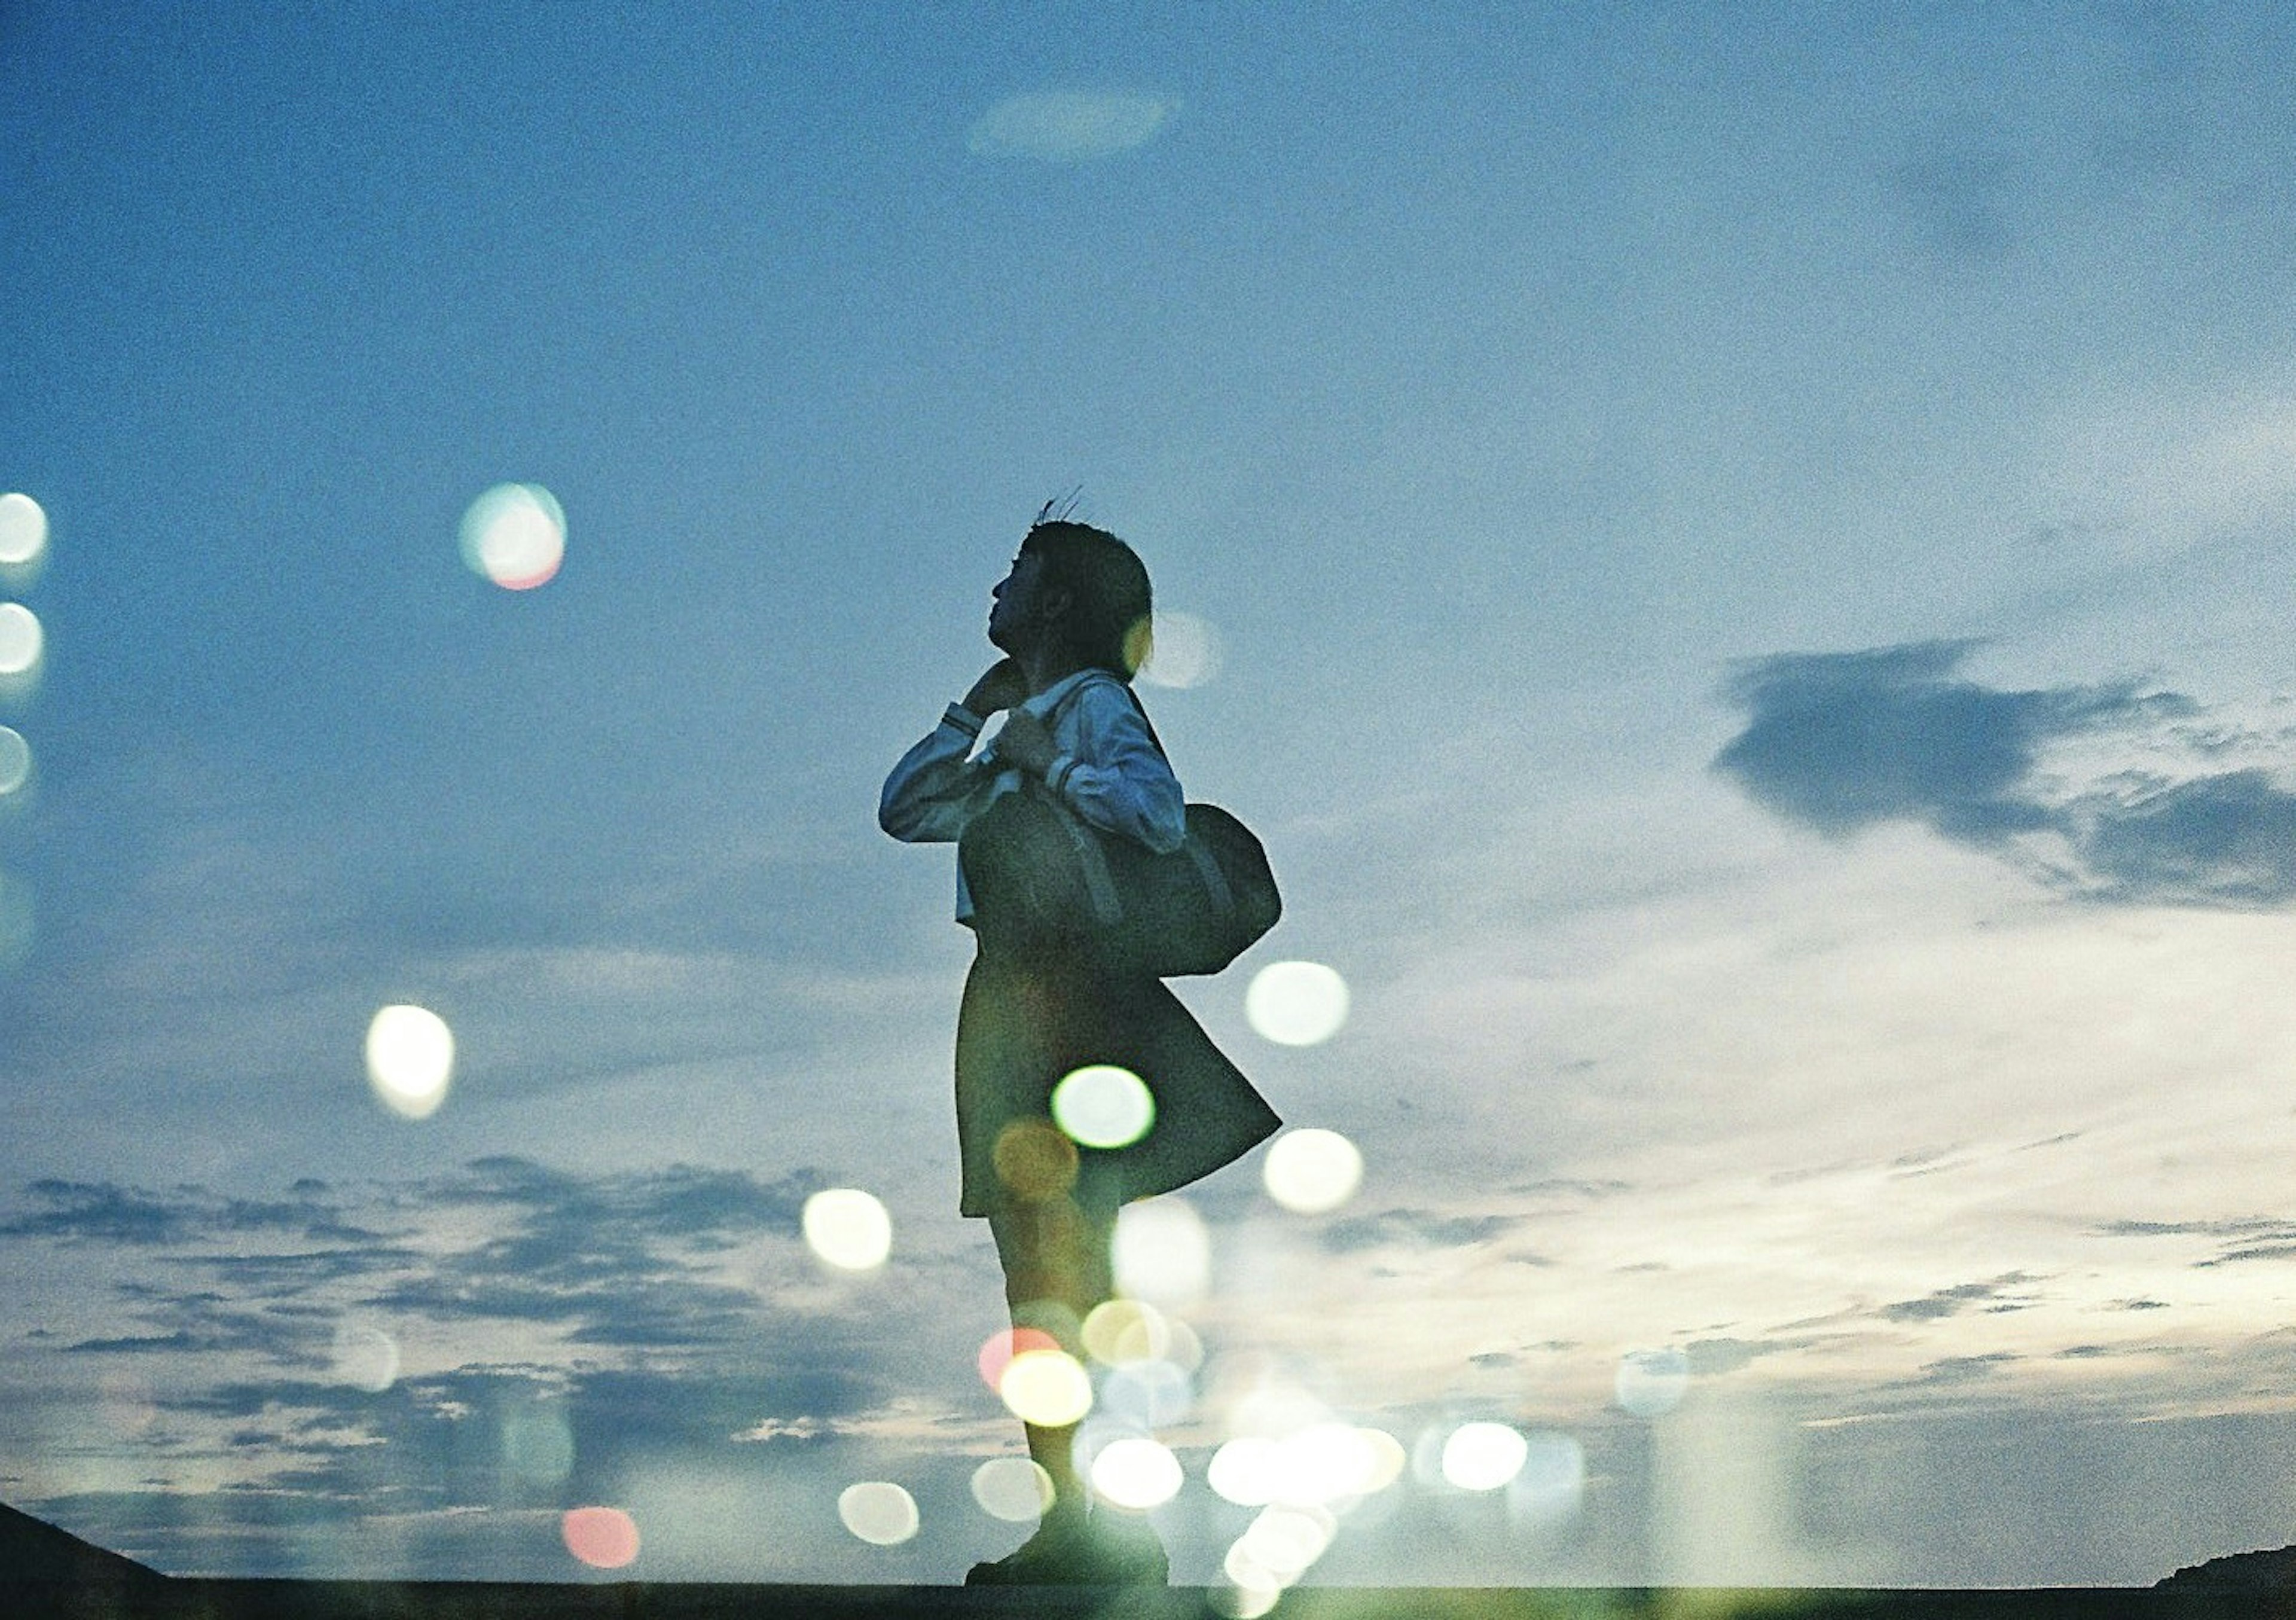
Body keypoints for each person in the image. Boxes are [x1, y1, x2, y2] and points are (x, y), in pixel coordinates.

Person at [880, 514, 1280, 1584]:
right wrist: (980, 712)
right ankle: (1071, 1520)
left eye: (1018, 572)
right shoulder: (1020, 719)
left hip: (1075, 1008)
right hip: (1009, 1005)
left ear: (1055, 604)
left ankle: (1101, 1524)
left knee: (1075, 1264)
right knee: (1034, 1273)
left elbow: (1153, 813)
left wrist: (1045, 756)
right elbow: (905, 807)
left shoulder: (1095, 707)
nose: (998, 585)